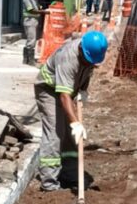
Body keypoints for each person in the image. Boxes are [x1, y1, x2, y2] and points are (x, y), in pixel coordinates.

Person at [35, 31, 109, 191]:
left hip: (67, 92)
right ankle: (49, 183)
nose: (91, 64)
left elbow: (86, 72)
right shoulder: (68, 58)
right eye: (89, 60)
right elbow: (63, 96)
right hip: (48, 90)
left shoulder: (89, 56)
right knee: (55, 133)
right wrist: (76, 123)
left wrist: (83, 90)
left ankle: (69, 174)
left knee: (70, 135)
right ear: (81, 49)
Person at [22, 0, 47, 66]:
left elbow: (37, 7)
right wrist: (43, 12)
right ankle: (29, 59)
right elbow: (31, 10)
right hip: (29, 21)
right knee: (31, 40)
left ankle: (26, 60)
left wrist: (41, 8)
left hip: (34, 21)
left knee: (32, 40)